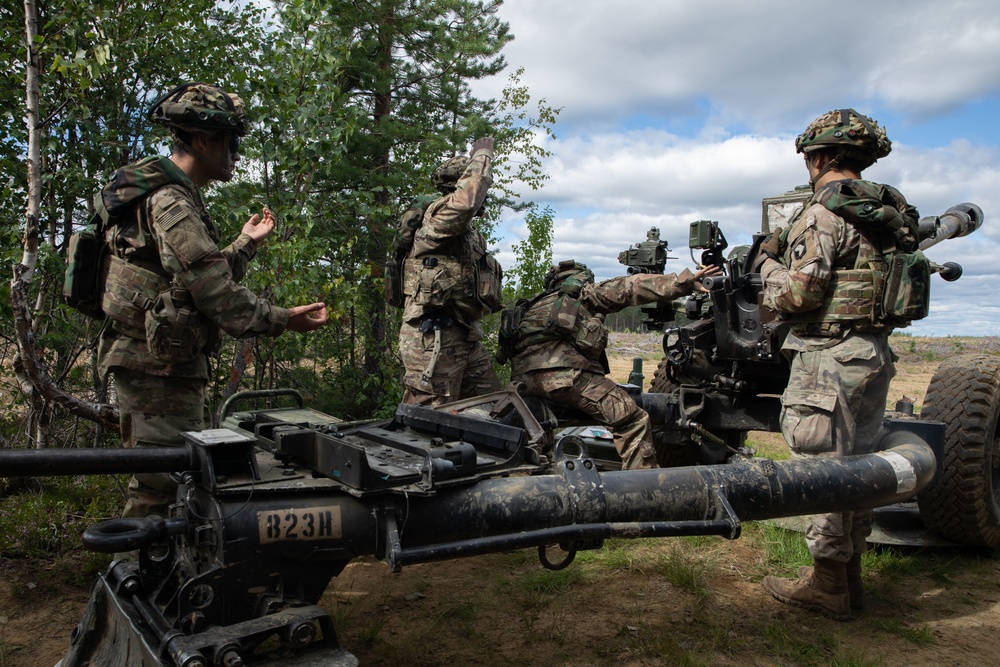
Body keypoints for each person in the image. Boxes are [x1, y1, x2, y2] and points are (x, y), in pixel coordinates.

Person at [97, 82, 329, 519]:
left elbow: (196, 277)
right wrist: (283, 319)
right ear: (203, 140)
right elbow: (218, 297)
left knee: (178, 485)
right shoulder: (172, 204)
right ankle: (130, 581)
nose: (236, 153)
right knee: (162, 490)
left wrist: (246, 243)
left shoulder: (173, 197)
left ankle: (164, 581)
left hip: (163, 367)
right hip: (156, 371)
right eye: (231, 141)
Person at [756, 109, 919, 620]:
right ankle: (849, 578)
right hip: (871, 353)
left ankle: (827, 585)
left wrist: (766, 267)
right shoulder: (886, 216)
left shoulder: (822, 212)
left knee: (821, 468)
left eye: (810, 158)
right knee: (861, 470)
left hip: (827, 357)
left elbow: (803, 292)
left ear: (821, 157)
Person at [501, 260, 720, 469]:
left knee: (540, 427)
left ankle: (542, 479)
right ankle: (644, 490)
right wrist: (685, 281)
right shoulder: (583, 295)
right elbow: (630, 287)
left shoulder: (531, 306)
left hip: (523, 386)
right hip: (567, 380)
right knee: (633, 419)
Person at [398, 137, 504, 406]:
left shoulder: (469, 235)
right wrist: (483, 154)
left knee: (491, 410)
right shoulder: (437, 216)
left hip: (464, 334)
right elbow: (467, 201)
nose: (483, 198)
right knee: (425, 422)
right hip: (433, 337)